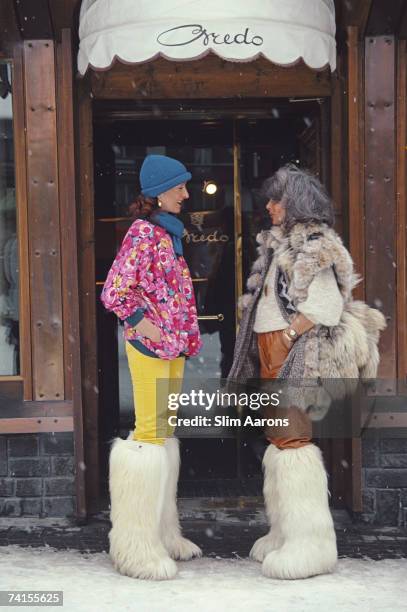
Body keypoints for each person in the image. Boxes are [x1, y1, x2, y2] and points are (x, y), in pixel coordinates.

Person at [227, 164, 386, 580]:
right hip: (271, 347)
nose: (268, 206)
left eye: (275, 198)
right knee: (280, 439)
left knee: (293, 441)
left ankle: (310, 544)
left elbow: (327, 307)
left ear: (293, 201)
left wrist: (288, 335)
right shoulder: (281, 245)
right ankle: (285, 533)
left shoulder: (313, 244)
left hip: (293, 351)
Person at [101, 154, 202, 580]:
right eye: (179, 186)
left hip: (171, 349)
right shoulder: (143, 234)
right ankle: (136, 546)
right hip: (149, 348)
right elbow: (114, 291)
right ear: (159, 191)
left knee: (162, 435)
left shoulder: (168, 234)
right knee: (147, 437)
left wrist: (175, 335)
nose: (186, 193)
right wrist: (147, 326)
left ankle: (163, 533)